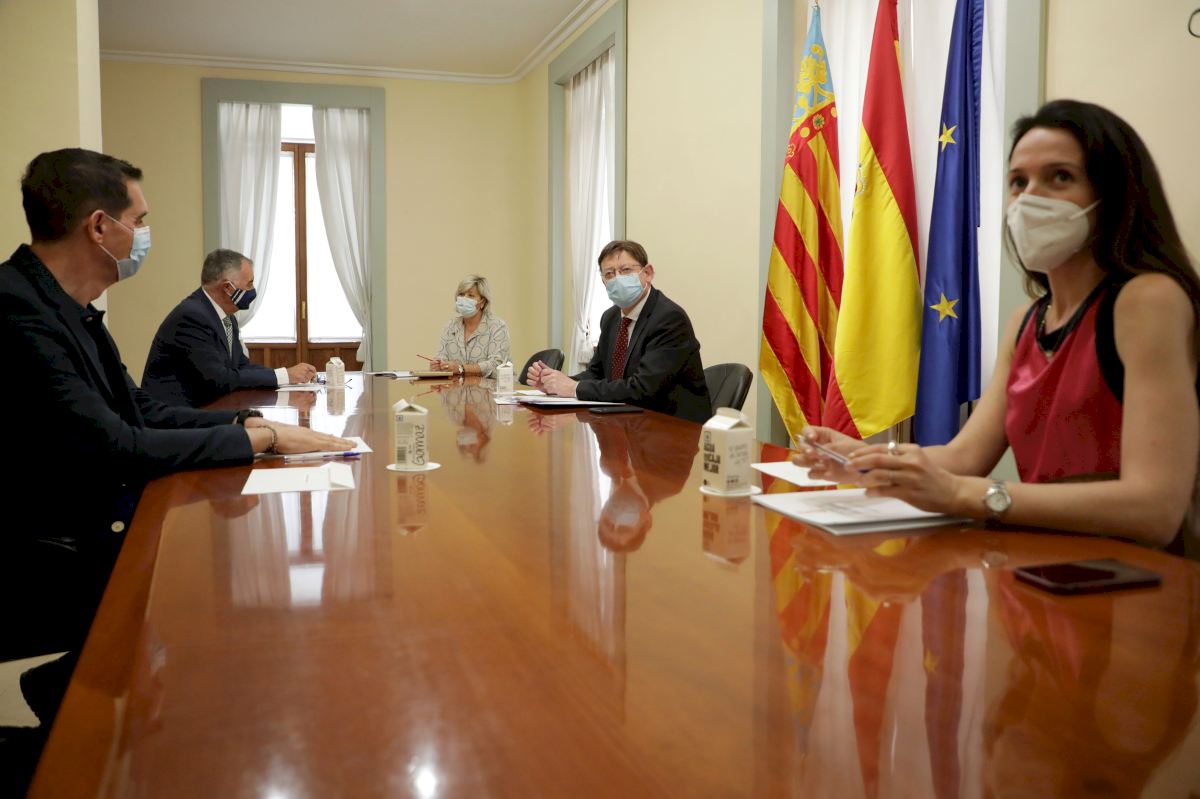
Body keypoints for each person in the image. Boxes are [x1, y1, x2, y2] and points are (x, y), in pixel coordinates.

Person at [0, 148, 351, 789]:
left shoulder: (70, 306)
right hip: (43, 549)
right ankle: (80, 729)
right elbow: (115, 445)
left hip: (83, 520)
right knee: (202, 631)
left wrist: (251, 427)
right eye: (140, 219)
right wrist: (253, 439)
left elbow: (138, 409)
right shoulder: (17, 308)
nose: (145, 235)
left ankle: (78, 701)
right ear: (99, 227)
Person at [797, 100, 1200, 552]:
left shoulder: (1148, 300)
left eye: (1060, 177)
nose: (1030, 198)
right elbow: (964, 457)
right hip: (1043, 566)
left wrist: (966, 495)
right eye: (1018, 182)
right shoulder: (1026, 322)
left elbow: (1154, 509)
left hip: (1136, 578)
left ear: (1114, 195)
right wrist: (861, 459)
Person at [526, 240, 712, 424]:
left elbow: (643, 389)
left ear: (647, 273)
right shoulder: (610, 318)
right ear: (603, 281)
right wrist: (556, 383)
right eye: (609, 274)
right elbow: (596, 374)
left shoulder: (668, 318)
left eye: (626, 270)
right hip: (625, 423)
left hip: (671, 427)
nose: (617, 278)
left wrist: (574, 388)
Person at [141, 248, 317, 406]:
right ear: (227, 287)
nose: (252, 290)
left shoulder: (226, 316)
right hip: (175, 419)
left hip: (206, 410)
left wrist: (286, 374)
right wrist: (285, 376)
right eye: (249, 284)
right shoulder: (192, 316)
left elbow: (241, 366)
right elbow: (219, 379)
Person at [429, 274, 511, 378]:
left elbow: (497, 365)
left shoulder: (497, 326)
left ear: (482, 302)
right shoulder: (450, 327)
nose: (464, 299)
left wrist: (462, 369)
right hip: (458, 387)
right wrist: (438, 366)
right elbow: (442, 359)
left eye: (471, 295)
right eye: (461, 294)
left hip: (494, 387)